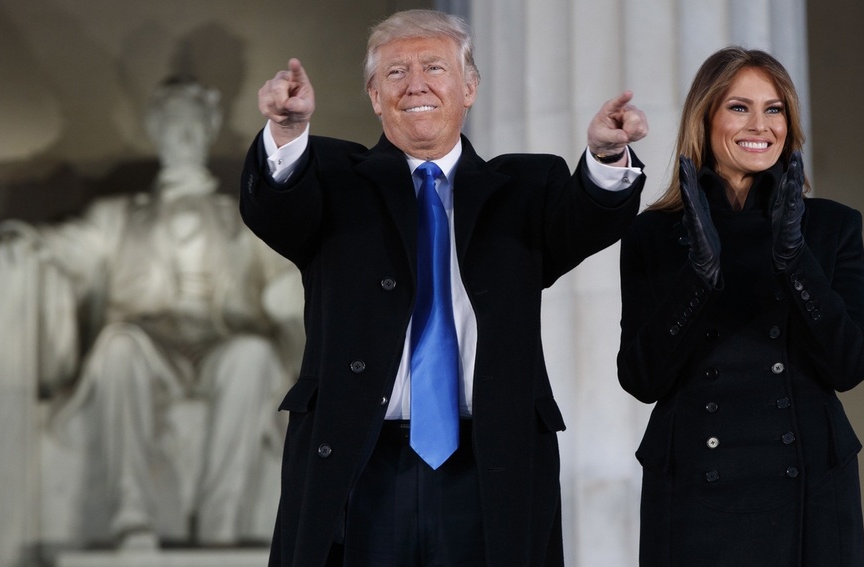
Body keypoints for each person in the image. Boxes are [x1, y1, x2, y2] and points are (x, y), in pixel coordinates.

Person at [240, 9, 647, 567]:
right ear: (375, 95)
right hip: (364, 462)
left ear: (470, 87)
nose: (416, 85)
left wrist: (604, 156)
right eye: (396, 73)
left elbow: (589, 217)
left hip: (490, 463)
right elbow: (278, 208)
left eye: (434, 67)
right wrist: (286, 131)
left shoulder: (526, 188)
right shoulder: (333, 179)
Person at [0, 76, 302, 550]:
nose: (183, 138)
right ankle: (131, 517)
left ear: (208, 133)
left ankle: (221, 521)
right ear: (157, 133)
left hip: (222, 340)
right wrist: (19, 242)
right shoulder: (117, 216)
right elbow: (65, 248)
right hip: (148, 342)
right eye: (173, 126)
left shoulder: (245, 217)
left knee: (253, 354)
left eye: (193, 127)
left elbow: (289, 271)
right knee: (119, 345)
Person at [617, 46, 864, 566]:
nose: (760, 125)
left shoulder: (832, 227)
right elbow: (641, 379)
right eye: (739, 107)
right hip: (693, 492)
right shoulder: (654, 233)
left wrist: (795, 259)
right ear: (705, 118)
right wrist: (699, 276)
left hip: (811, 491)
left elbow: (851, 366)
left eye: (774, 108)